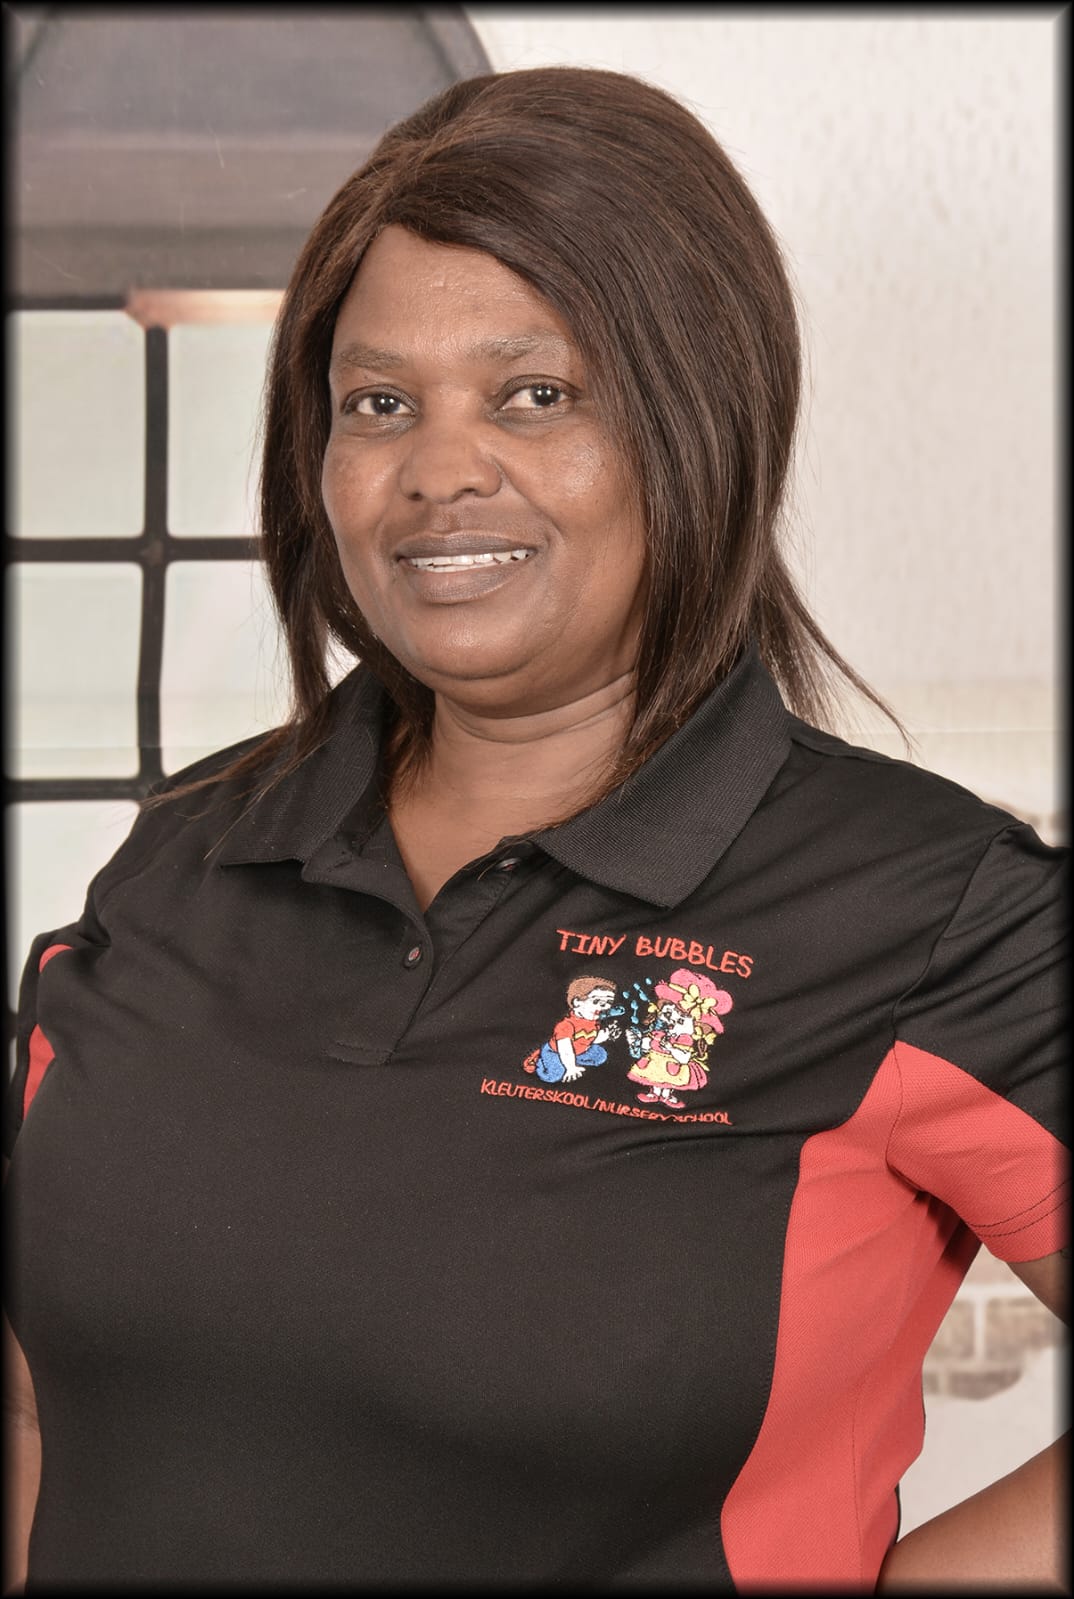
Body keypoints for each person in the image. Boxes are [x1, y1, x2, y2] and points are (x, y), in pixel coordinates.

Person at [3, 64, 1066, 1592]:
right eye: (379, 404)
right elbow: (40, 1400)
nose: (438, 470)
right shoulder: (181, 857)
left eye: (534, 394)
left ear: (696, 421)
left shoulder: (926, 914)